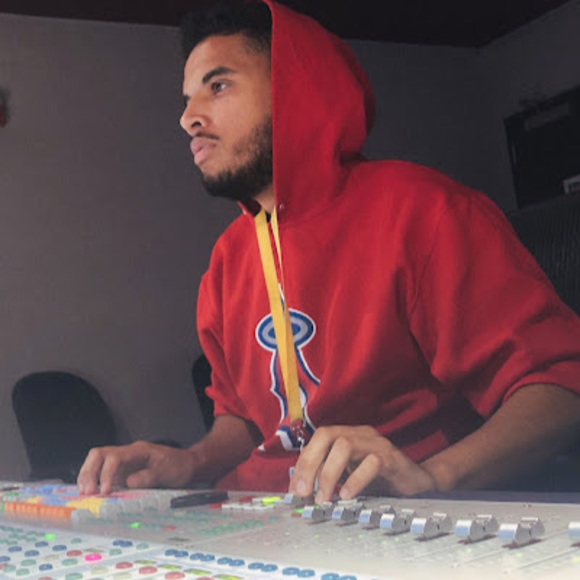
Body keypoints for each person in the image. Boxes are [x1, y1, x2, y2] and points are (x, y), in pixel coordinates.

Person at [78, 0, 580, 502]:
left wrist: (432, 479)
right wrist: (192, 461)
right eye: (187, 99)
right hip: (266, 516)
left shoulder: (422, 210)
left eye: (219, 86)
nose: (188, 118)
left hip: (389, 515)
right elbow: (246, 420)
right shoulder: (225, 263)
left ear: (294, 86)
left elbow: (561, 387)